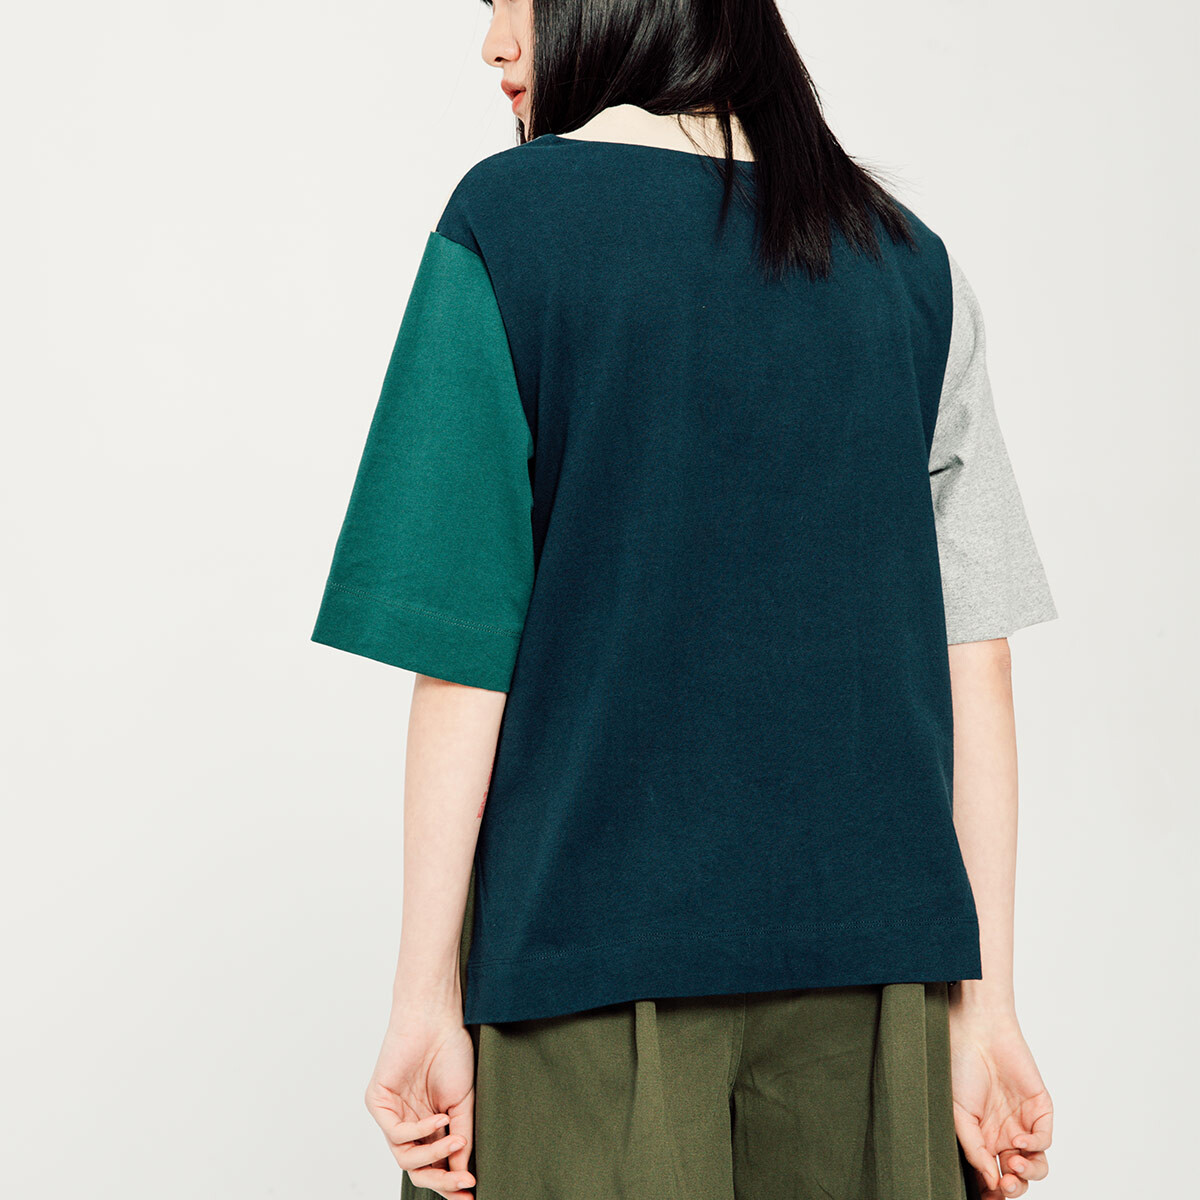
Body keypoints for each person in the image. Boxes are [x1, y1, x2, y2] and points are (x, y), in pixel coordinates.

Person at [310, 1, 1059, 1196]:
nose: (493, 43)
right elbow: (978, 656)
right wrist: (987, 1009)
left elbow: (465, 655)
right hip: (881, 993)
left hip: (584, 984)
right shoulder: (909, 263)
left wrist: (423, 996)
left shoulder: (509, 225)